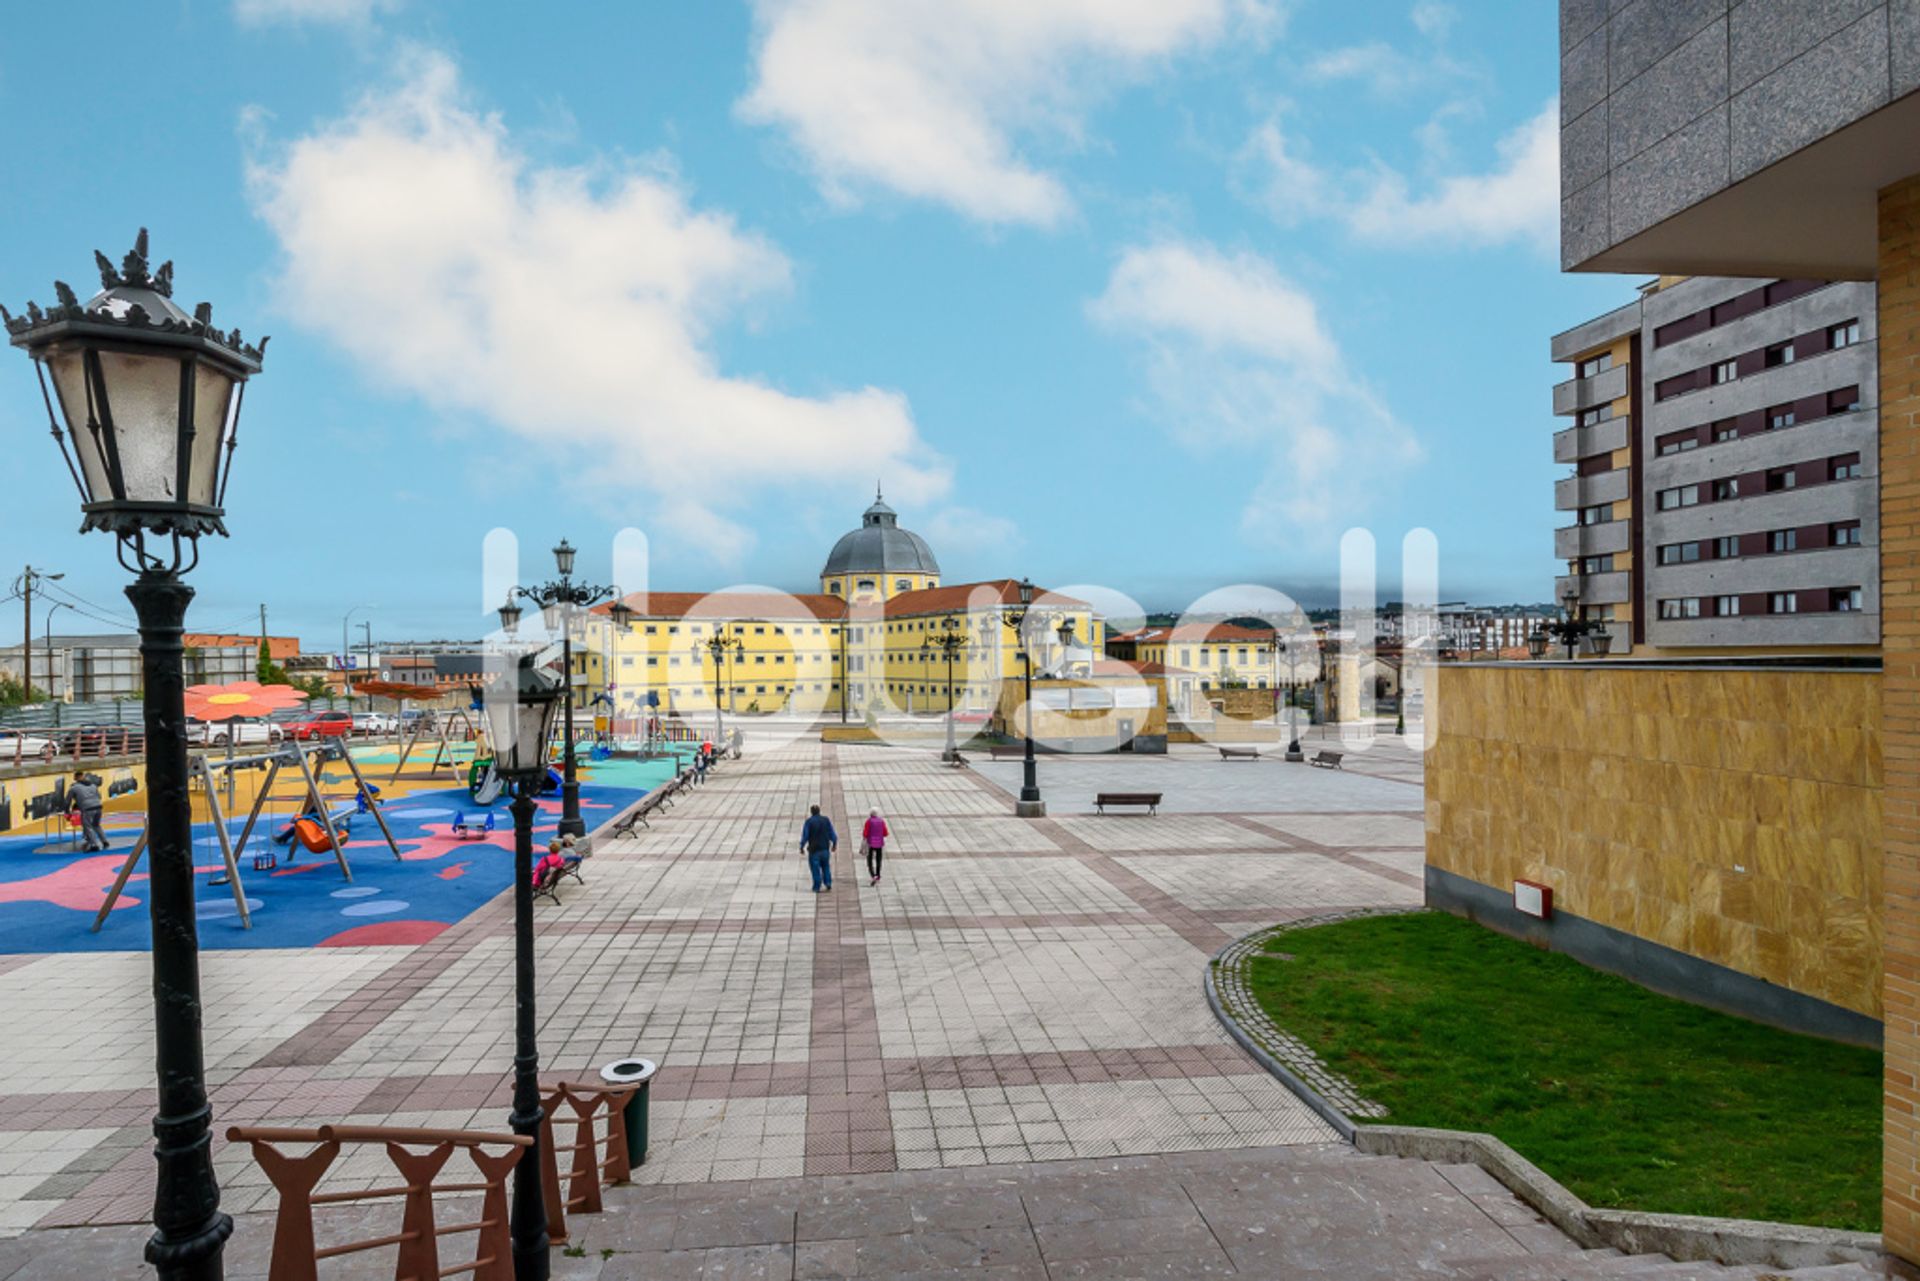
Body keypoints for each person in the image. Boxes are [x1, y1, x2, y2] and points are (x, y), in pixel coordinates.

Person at [799, 803, 837, 893]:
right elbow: (832, 833)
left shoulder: (809, 822)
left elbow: (805, 835)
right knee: (826, 866)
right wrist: (834, 843)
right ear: (819, 811)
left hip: (814, 850)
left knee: (815, 868)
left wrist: (802, 846)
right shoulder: (826, 820)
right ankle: (828, 883)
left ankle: (817, 886)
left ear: (811, 812)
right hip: (825, 848)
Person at [67, 771, 105, 852]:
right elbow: (99, 796)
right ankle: (104, 841)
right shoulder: (93, 785)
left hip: (87, 808)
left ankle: (94, 844)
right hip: (98, 806)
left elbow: (68, 801)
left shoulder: (74, 788)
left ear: (75, 778)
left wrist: (67, 810)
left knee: (88, 826)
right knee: (96, 825)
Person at [863, 808, 889, 886]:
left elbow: (865, 833)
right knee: (878, 859)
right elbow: (885, 833)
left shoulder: (868, 821)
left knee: (869, 859)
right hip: (879, 843)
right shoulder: (881, 821)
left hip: (870, 843)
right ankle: (878, 875)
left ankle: (873, 875)